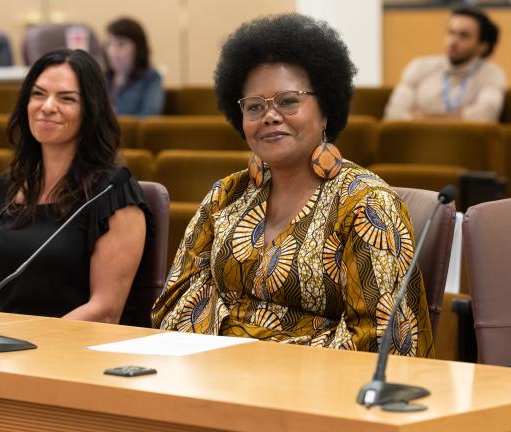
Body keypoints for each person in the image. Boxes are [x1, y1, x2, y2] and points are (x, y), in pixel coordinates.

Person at [152, 14, 434, 357]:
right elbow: (174, 303)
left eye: (288, 101)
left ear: (325, 110)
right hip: (216, 379)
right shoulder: (226, 196)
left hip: (322, 394)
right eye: (254, 106)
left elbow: (381, 340)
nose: (269, 116)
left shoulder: (367, 205)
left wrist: (252, 353)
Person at [0, 48, 151, 323]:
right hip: (0, 349)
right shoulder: (2, 189)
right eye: (38, 94)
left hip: (74, 355)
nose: (47, 106)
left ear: (90, 110)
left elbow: (105, 311)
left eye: (66, 98)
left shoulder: (113, 193)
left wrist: (30, 345)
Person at [384, 7, 505, 121]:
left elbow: (485, 116)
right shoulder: (419, 66)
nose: (453, 41)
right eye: (451, 33)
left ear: (482, 46)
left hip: (467, 141)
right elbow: (394, 114)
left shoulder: (492, 74)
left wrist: (423, 119)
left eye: (463, 36)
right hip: (418, 141)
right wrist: (460, 117)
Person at [105, 17, 164, 116]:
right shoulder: (102, 77)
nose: (113, 52)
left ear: (138, 48)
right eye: (109, 44)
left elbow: (149, 116)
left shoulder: (151, 78)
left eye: (121, 44)